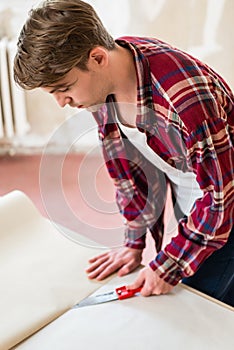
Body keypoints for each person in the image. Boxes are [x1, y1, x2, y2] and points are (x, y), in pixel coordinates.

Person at [14, 0, 234, 306]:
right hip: (197, 196)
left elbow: (221, 198)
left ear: (97, 58)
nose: (61, 102)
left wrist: (167, 266)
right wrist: (134, 243)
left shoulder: (184, 100)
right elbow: (129, 170)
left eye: (63, 88)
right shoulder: (102, 83)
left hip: (224, 201)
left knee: (206, 307)